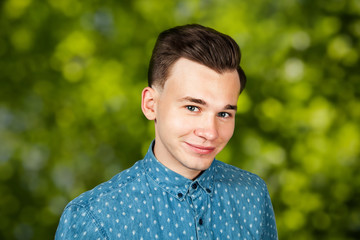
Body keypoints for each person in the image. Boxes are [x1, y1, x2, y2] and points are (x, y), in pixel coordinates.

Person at [55, 24, 278, 240]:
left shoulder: (252, 195)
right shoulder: (94, 217)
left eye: (224, 114)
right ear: (151, 104)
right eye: (193, 108)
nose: (210, 132)